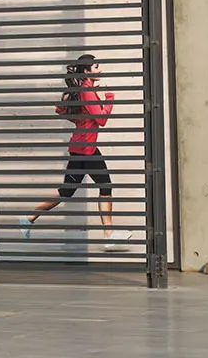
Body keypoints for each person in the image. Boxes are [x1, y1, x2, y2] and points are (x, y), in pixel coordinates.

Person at [22, 55, 132, 250]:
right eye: (96, 67)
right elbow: (101, 119)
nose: (100, 70)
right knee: (104, 186)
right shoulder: (87, 91)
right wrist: (110, 98)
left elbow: (82, 119)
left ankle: (29, 218)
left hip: (81, 148)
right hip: (86, 150)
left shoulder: (85, 90)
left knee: (69, 191)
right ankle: (109, 235)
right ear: (87, 71)